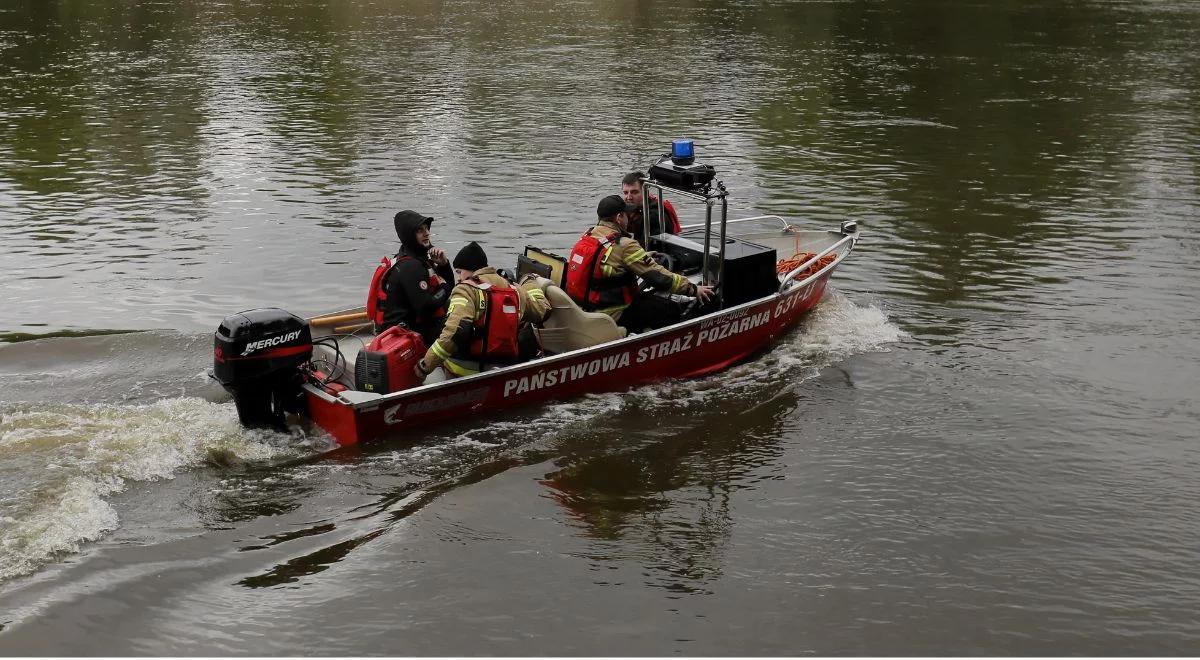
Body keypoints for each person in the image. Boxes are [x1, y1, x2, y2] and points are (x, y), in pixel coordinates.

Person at [566, 195, 713, 332]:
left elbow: (609, 263)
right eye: (626, 214)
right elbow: (660, 278)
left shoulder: (589, 235)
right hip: (614, 312)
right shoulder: (624, 244)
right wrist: (693, 289)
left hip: (585, 308)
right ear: (619, 217)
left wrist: (641, 258)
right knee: (669, 310)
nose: (628, 218)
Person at [415, 242, 552, 380]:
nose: (458, 278)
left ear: (471, 269)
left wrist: (425, 365)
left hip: (462, 371)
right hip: (503, 369)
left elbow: (455, 332)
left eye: (459, 272)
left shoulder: (465, 290)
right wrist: (529, 281)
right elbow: (543, 310)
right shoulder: (514, 290)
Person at [372, 210, 454, 346]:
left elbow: (447, 286)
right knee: (461, 326)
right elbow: (427, 308)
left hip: (406, 326)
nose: (427, 233)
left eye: (427, 228)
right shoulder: (411, 266)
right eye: (420, 230)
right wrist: (445, 287)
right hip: (402, 335)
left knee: (448, 303)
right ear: (409, 235)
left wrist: (444, 265)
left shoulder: (413, 255)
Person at [621, 171, 681, 238]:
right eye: (626, 193)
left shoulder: (654, 216)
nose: (629, 197)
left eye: (634, 192)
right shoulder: (627, 209)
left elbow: (646, 246)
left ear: (646, 191)